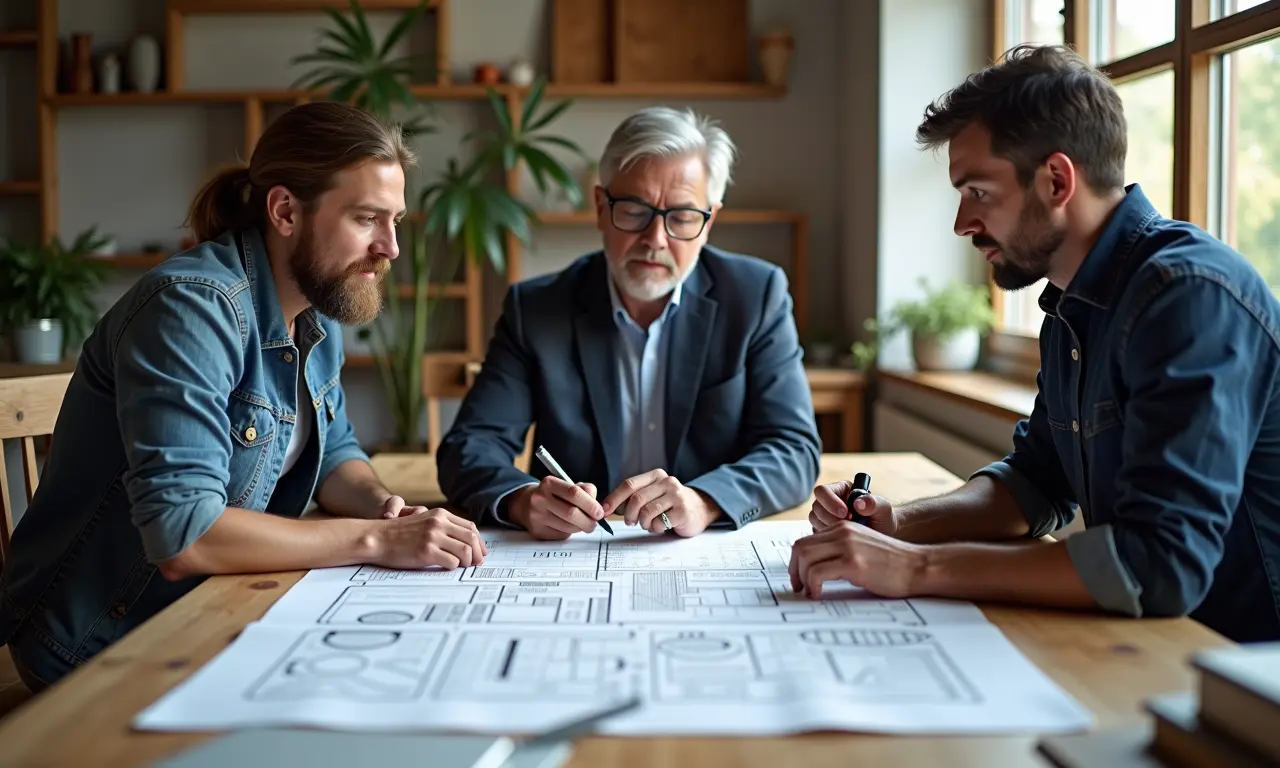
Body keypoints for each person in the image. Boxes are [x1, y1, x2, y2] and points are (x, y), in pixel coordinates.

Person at [789, 44, 1280, 644]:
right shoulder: (1072, 303)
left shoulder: (1188, 296)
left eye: (978, 192)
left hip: (1245, 668)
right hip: (1164, 649)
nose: (962, 223)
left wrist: (917, 568)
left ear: (1056, 180)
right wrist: (897, 526)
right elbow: (1038, 482)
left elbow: (1159, 564)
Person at [0, 102, 487, 691]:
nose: (391, 247)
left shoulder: (315, 307)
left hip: (209, 608)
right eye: (366, 218)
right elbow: (184, 531)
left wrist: (385, 507)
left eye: (395, 220)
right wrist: (377, 539)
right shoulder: (191, 308)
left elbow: (334, 453)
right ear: (285, 211)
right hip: (101, 641)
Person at [437, 106, 821, 540]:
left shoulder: (755, 296)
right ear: (601, 207)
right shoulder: (538, 309)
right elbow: (469, 447)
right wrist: (522, 500)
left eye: (682, 217)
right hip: (579, 550)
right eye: (636, 211)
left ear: (709, 221)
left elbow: (793, 449)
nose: (655, 239)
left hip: (699, 547)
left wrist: (706, 500)